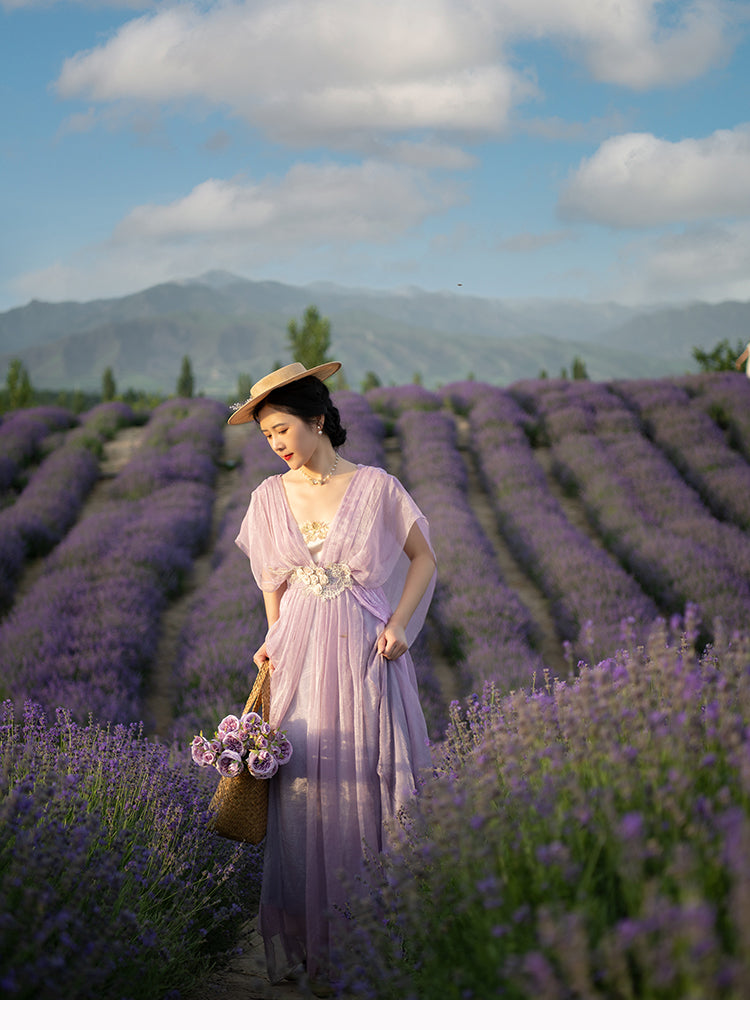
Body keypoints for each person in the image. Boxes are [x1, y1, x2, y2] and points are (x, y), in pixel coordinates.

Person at [229, 361, 437, 986]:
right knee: (304, 790)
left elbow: (425, 558)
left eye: (284, 429)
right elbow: (273, 581)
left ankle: (373, 935)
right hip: (299, 654)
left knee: (369, 780)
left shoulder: (376, 487)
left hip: (363, 651)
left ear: (317, 420)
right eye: (268, 437)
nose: (278, 444)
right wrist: (271, 639)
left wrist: (401, 624)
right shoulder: (268, 496)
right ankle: (314, 945)